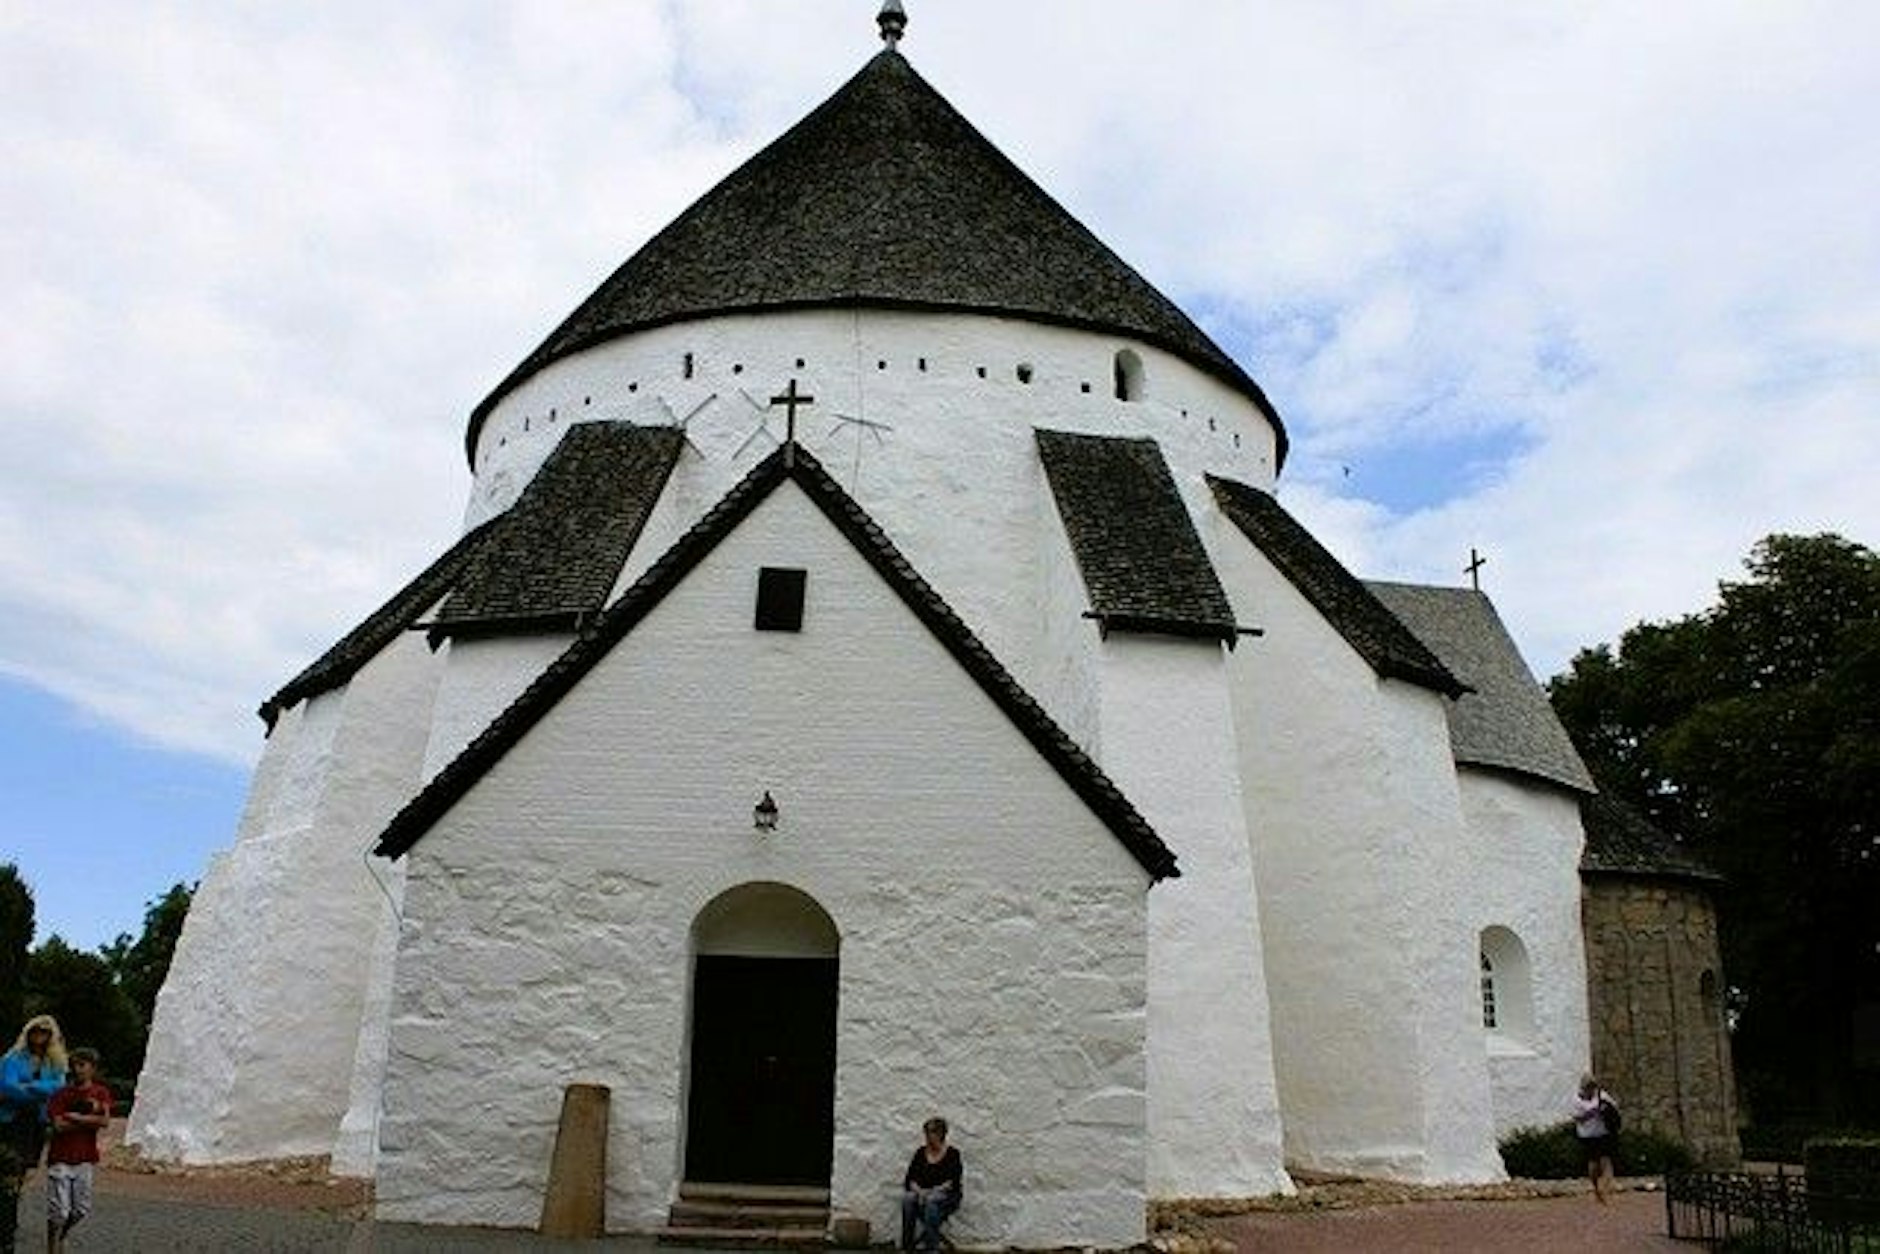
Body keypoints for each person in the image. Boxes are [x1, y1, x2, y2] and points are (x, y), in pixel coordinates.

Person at [1, 1015, 67, 1253]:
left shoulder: (54, 1063)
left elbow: (58, 1087)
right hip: (10, 1125)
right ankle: (6, 1233)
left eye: (45, 1031)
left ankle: (7, 1227)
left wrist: (26, 1087)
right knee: (8, 1179)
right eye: (36, 1030)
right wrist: (39, 1090)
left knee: (21, 1178)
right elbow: (7, 1088)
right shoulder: (13, 1058)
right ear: (28, 1032)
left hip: (35, 1128)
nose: (39, 1035)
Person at [45, 1047, 111, 1254]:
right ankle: (53, 1245)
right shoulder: (60, 1094)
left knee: (81, 1210)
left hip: (85, 1157)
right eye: (75, 1065)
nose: (78, 1069)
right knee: (60, 1211)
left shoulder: (101, 1093)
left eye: (83, 1065)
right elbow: (58, 1126)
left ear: (93, 1068)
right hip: (61, 1156)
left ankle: (61, 1234)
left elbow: (105, 1121)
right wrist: (90, 1121)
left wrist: (75, 1117)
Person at [900, 1116, 962, 1252]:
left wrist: (932, 1192)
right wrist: (920, 1192)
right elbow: (910, 1179)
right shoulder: (920, 1153)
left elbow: (953, 1182)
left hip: (946, 1196)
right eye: (926, 1132)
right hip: (921, 1194)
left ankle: (931, 1248)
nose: (927, 1137)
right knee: (908, 1199)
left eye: (931, 1132)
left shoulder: (953, 1154)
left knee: (932, 1201)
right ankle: (907, 1246)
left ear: (941, 1134)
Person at [1570, 1072, 1618, 1204]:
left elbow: (1613, 1108)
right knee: (1593, 1163)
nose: (1591, 1089)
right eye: (1589, 1087)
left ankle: (1606, 1190)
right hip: (1588, 1135)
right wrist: (1593, 1112)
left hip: (1603, 1133)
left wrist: (1606, 1112)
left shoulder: (1601, 1095)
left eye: (1593, 1086)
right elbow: (1578, 1118)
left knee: (1606, 1161)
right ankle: (1596, 1188)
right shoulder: (1577, 1100)